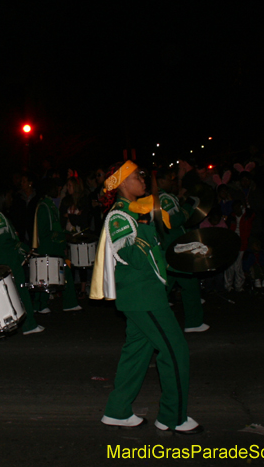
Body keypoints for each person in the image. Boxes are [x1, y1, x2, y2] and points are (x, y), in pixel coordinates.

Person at [92, 161, 202, 434]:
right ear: (121, 184)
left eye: (141, 174)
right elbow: (134, 256)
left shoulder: (135, 211)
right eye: (135, 176)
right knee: (176, 351)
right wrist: (159, 242)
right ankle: (172, 417)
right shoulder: (119, 215)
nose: (142, 179)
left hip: (143, 295)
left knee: (136, 354)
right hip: (143, 296)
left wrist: (184, 251)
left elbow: (154, 252)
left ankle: (117, 411)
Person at [0, 183, 44, 335]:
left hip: (4, 260)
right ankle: (29, 325)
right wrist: (22, 248)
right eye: (9, 196)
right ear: (2, 197)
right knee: (22, 292)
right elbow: (3, 240)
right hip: (8, 260)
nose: (11, 199)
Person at [155, 167, 208, 332]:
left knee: (165, 286)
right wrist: (189, 207)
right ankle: (194, 323)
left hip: (167, 247)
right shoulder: (165, 198)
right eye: (170, 180)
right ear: (161, 181)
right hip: (175, 247)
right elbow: (174, 221)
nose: (174, 183)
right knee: (190, 284)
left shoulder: (156, 198)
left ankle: (154, 318)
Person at [31, 179, 81, 313]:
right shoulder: (43, 206)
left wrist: (67, 233)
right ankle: (40, 305)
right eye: (56, 188)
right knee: (43, 277)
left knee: (64, 274)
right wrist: (63, 236)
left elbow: (56, 228)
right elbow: (44, 233)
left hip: (55, 246)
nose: (59, 190)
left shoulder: (50, 205)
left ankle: (68, 303)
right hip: (48, 247)